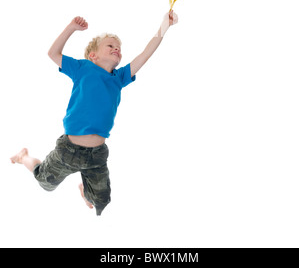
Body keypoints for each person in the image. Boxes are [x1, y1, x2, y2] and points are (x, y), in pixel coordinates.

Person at [10, 11, 178, 215]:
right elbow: (53, 54)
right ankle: (24, 157)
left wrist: (164, 25)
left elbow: (145, 54)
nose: (117, 49)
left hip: (96, 156)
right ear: (93, 55)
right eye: (111, 46)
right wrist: (71, 28)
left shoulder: (120, 77)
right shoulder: (83, 68)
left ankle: (85, 190)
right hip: (68, 151)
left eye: (119, 48)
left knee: (101, 203)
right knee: (44, 182)